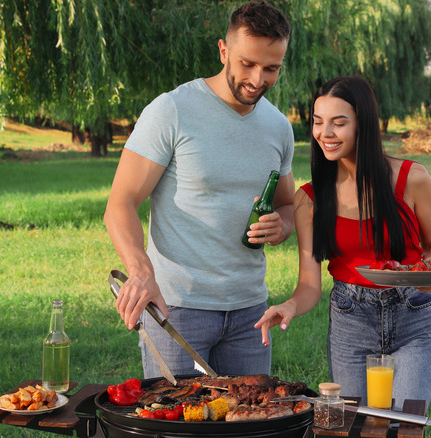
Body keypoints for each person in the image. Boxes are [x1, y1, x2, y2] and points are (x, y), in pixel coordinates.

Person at [103, 1, 295, 378]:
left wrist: (282, 225)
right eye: (247, 64)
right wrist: (140, 271)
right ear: (223, 50)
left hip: (250, 313)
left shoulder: (279, 127)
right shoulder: (171, 110)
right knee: (178, 428)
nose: (258, 79)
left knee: (250, 426)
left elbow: (288, 206)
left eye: (271, 68)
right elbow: (120, 204)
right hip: (178, 309)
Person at [254, 76, 431, 411]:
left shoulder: (412, 179)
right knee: (353, 425)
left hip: (414, 314)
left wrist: (429, 274)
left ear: (363, 125)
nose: (325, 133)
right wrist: (290, 306)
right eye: (318, 122)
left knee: (403, 425)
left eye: (338, 123)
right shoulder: (308, 200)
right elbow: (310, 285)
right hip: (351, 320)